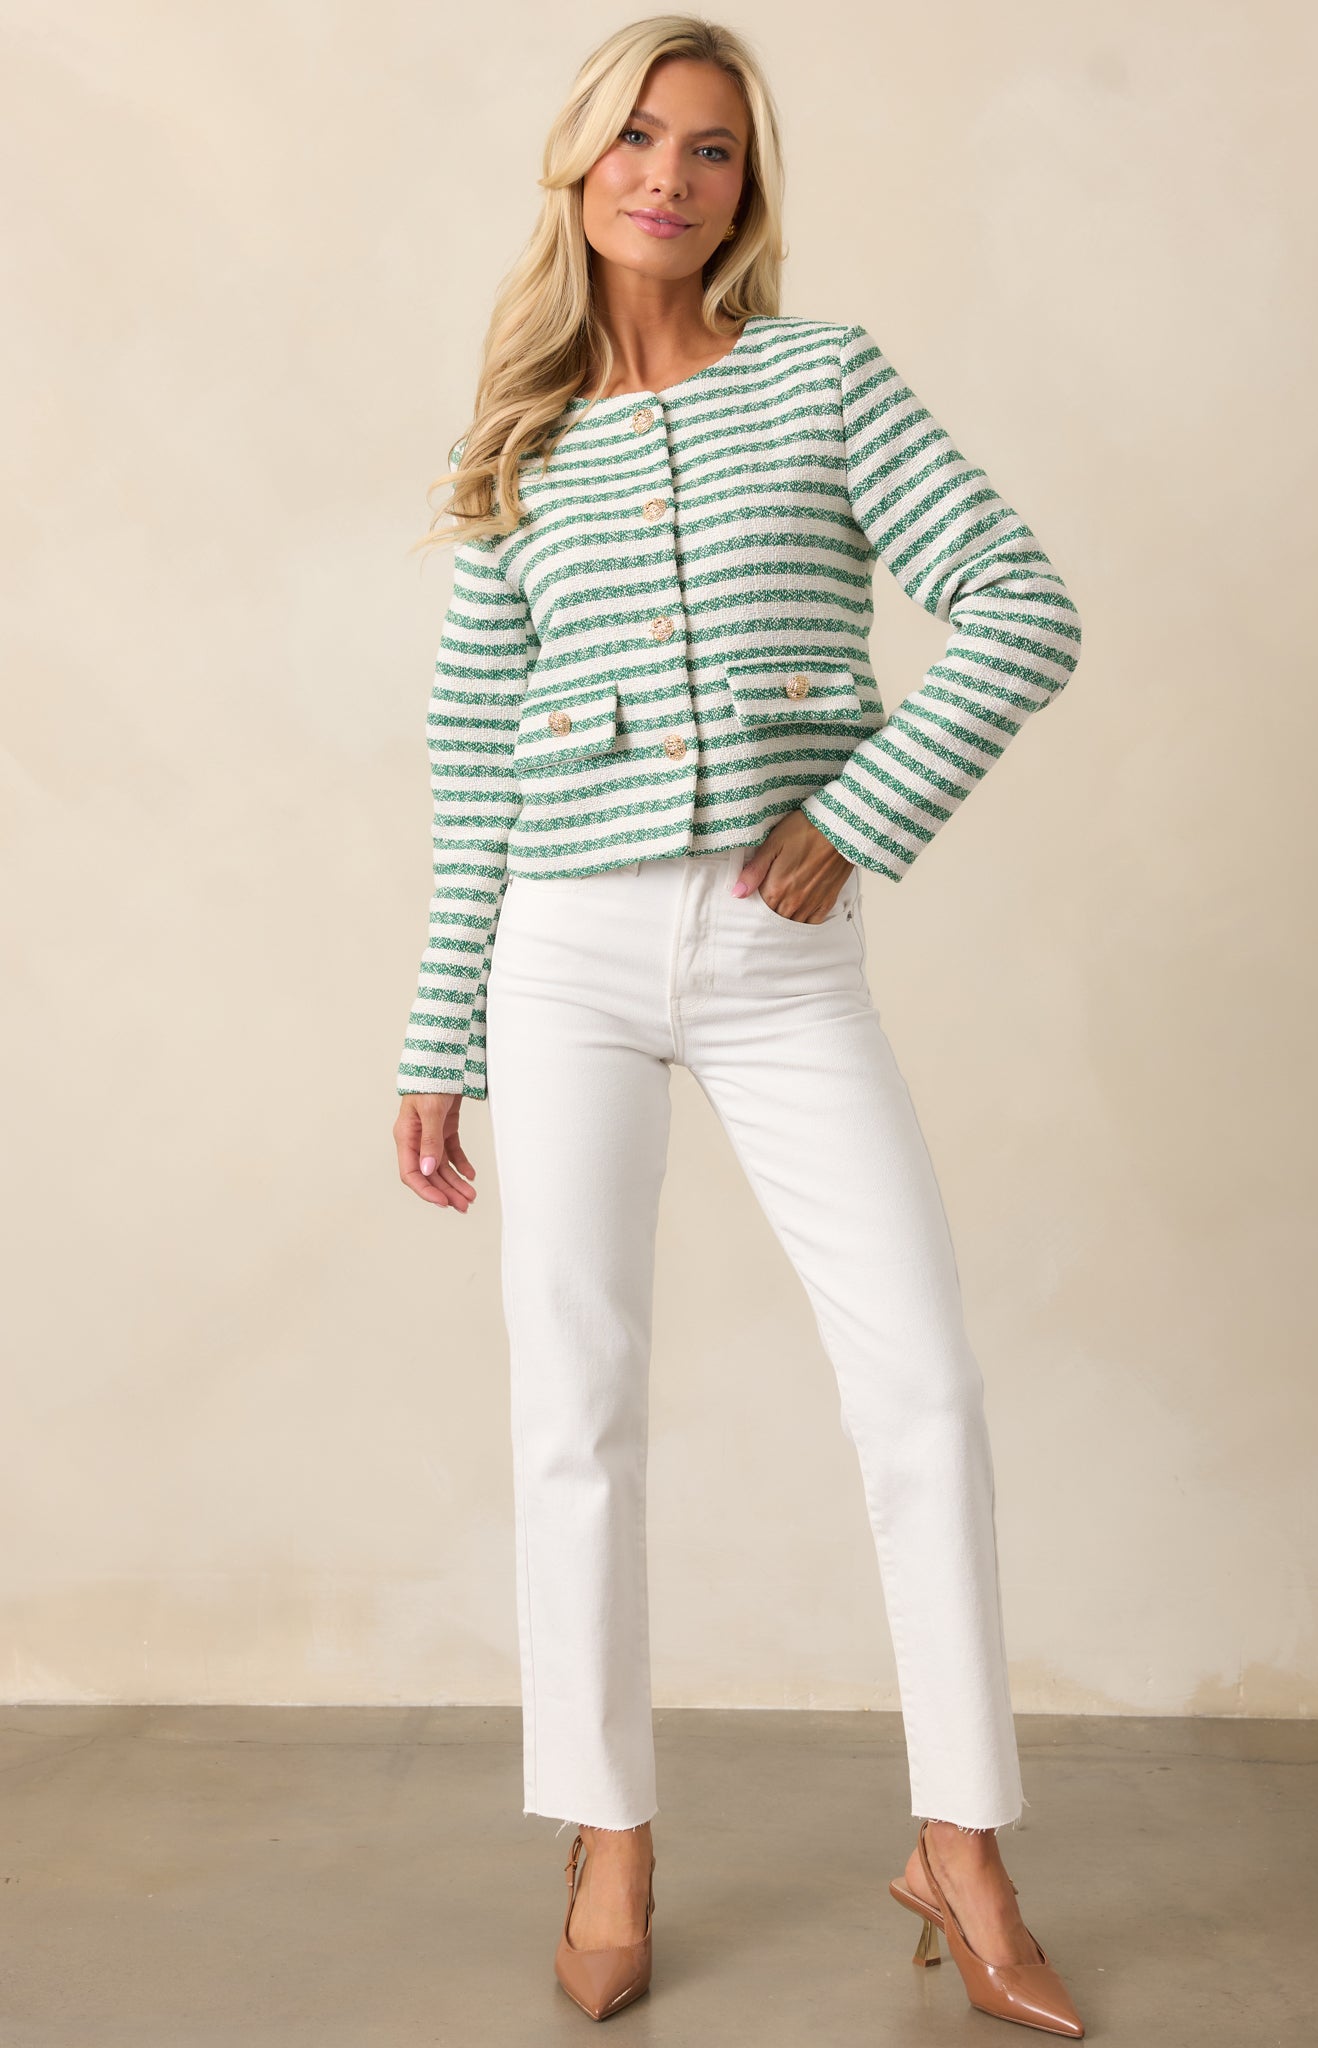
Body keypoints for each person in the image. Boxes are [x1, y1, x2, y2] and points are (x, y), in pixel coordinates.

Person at [391, 15, 1085, 2034]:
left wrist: (855, 811)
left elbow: (1021, 601)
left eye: (709, 148)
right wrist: (436, 1038)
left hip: (777, 955)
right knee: (576, 1398)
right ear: (577, 163)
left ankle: (960, 1840)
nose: (668, 175)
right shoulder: (515, 445)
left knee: (921, 1386)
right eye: (636, 136)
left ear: (741, 188)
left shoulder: (823, 376)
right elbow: (471, 769)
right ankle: (606, 1835)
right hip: (562, 952)